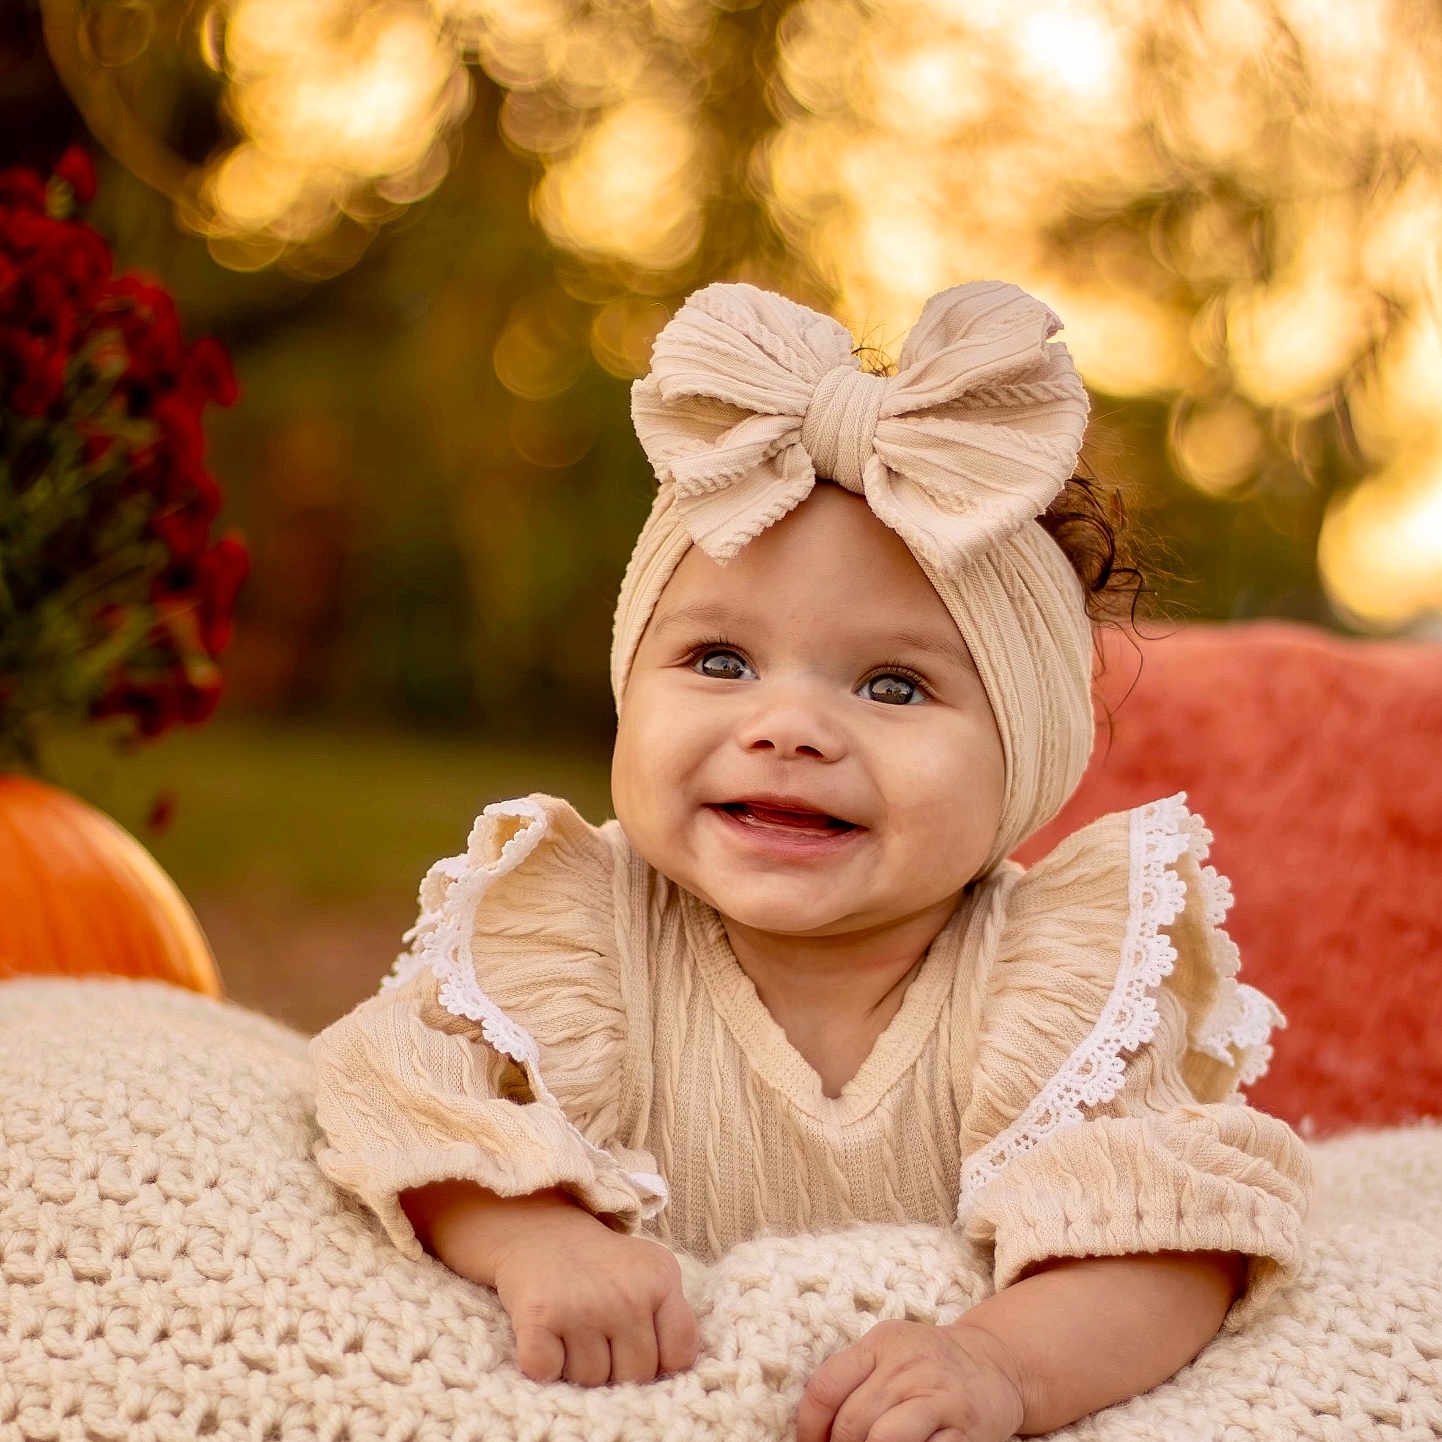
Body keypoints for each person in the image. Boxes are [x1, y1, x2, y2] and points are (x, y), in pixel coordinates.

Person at [310, 280, 1310, 1442]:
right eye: (719, 660)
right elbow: (403, 1094)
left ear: (1024, 758)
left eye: (891, 684)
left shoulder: (1053, 981)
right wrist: (530, 1230)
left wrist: (999, 1365)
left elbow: (1164, 1234)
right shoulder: (582, 928)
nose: (786, 727)